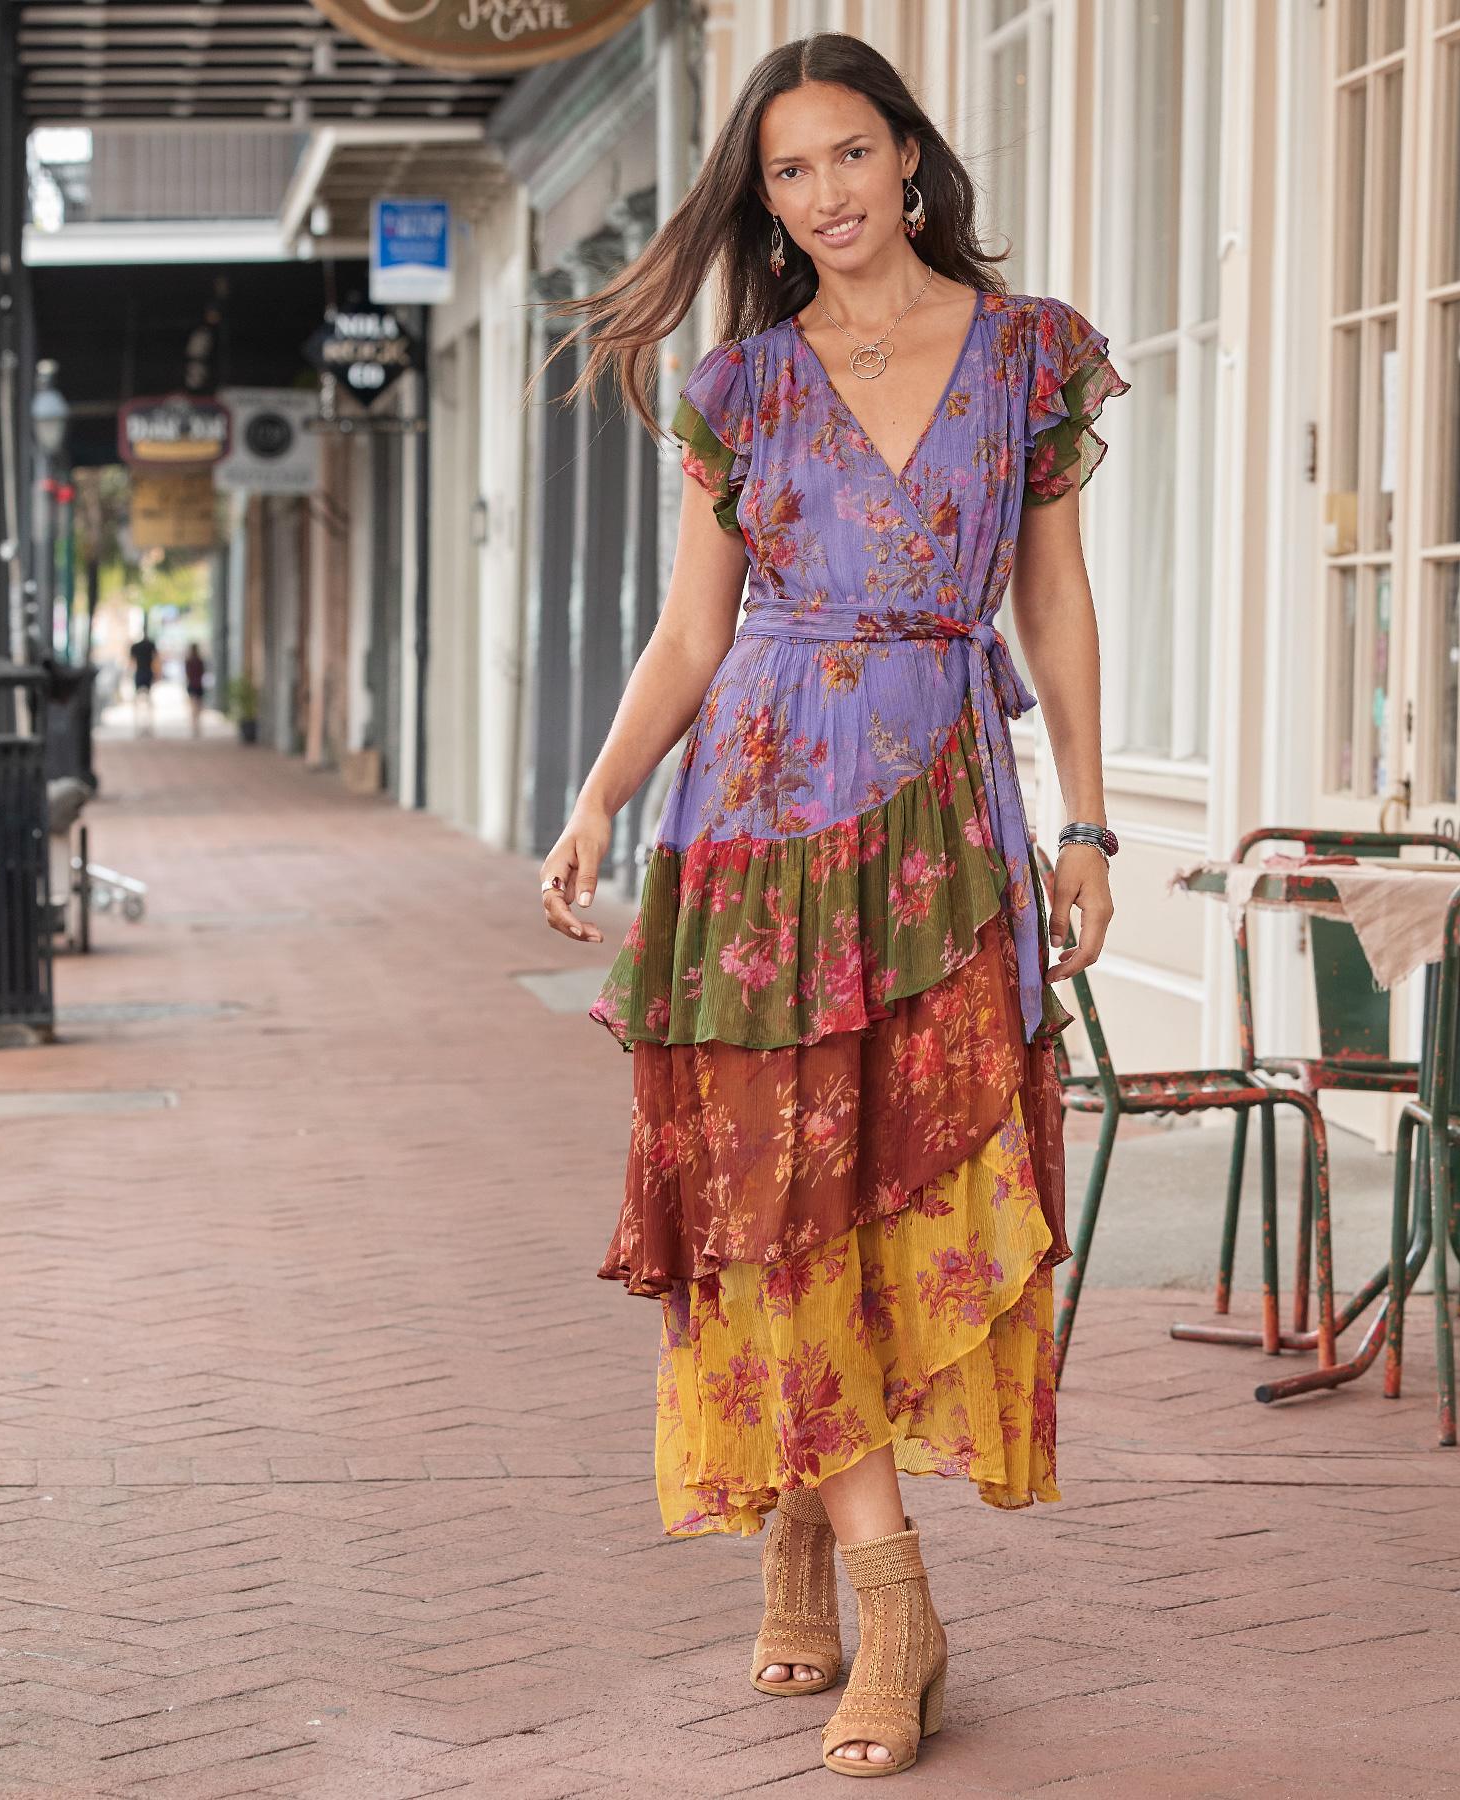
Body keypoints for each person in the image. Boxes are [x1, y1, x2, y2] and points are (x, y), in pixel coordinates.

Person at [538, 33, 1125, 1779]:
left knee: (901, 1190)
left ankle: (802, 1521)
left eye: (849, 155)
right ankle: (897, 1607)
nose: (825, 195)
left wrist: (1091, 825)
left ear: (910, 158)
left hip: (944, 827)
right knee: (779, 1200)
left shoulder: (1029, 356)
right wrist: (598, 798)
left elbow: (1055, 604)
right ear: (768, 198)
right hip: (758, 832)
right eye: (789, 172)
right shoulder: (738, 387)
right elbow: (691, 634)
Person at [129, 625, 157, 736]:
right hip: (147, 672)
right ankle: (148, 725)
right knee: (148, 700)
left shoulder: (136, 646)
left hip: (140, 673)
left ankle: (139, 726)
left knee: (138, 700)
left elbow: (131, 661)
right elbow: (156, 659)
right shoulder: (151, 645)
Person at [183, 641, 207, 738]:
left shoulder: (189, 661)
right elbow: (202, 672)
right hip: (198, 685)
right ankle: (197, 726)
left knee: (193, 707)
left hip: (192, 685)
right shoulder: (199, 661)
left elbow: (187, 674)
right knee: (198, 707)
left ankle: (194, 726)